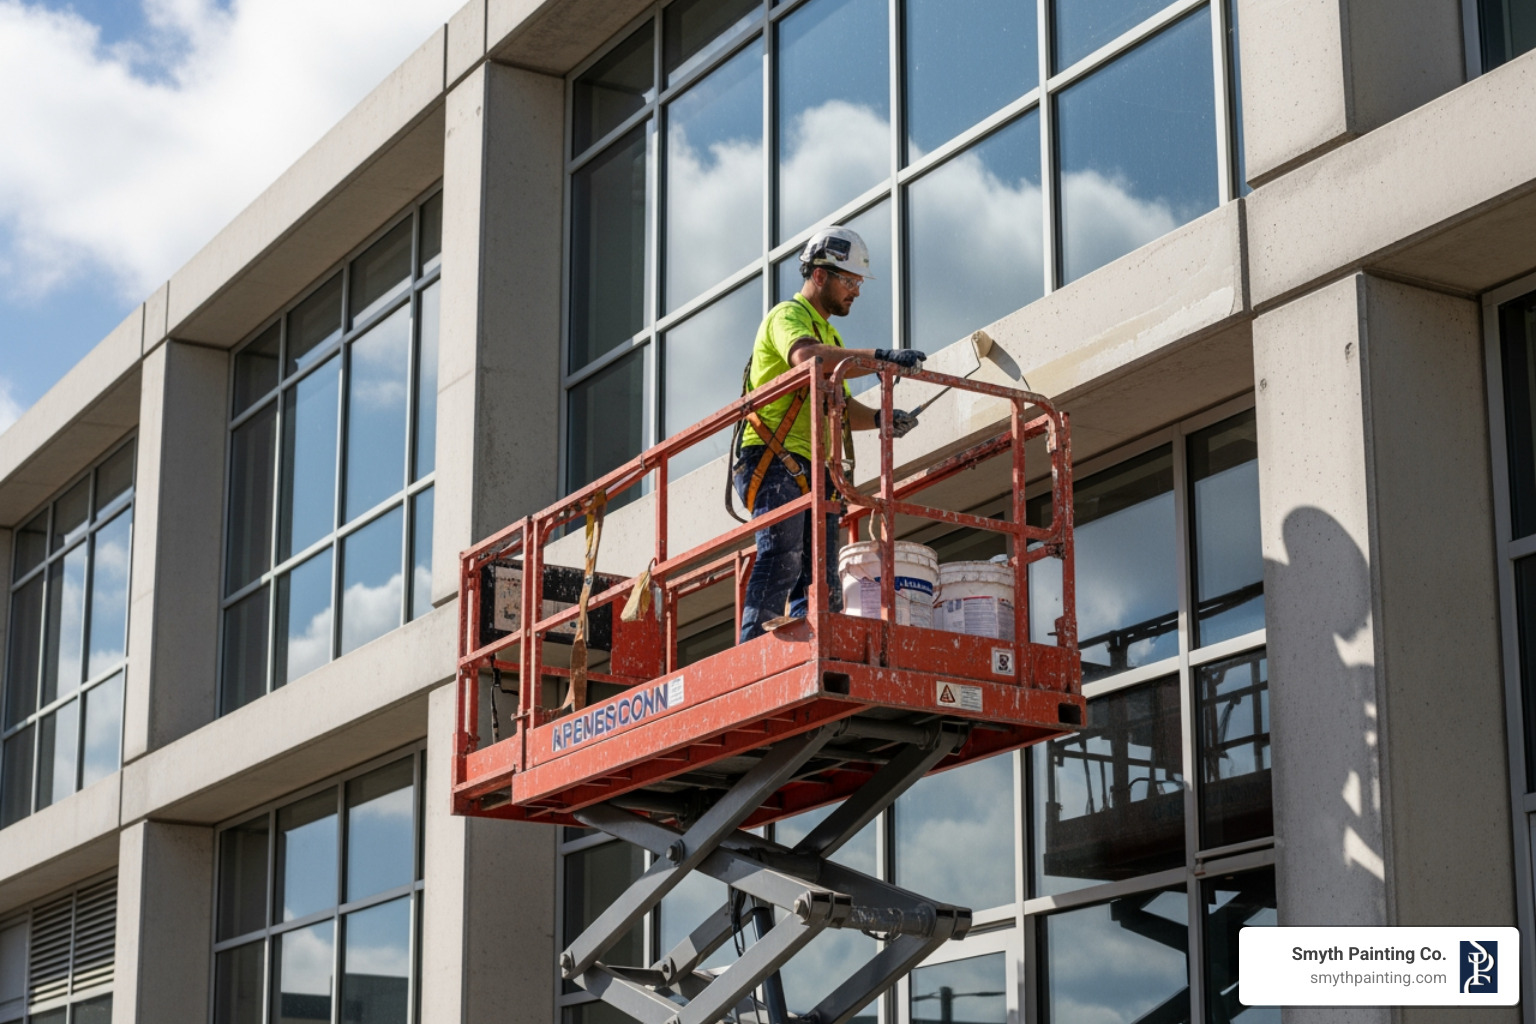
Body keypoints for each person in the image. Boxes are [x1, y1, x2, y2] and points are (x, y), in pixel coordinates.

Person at [733, 225, 927, 643]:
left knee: (819, 573)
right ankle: (751, 648)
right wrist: (879, 357)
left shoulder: (831, 336)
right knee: (782, 556)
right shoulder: (788, 317)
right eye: (849, 280)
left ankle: (812, 645)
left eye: (858, 282)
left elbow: (836, 407)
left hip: (813, 465)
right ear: (819, 275)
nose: (856, 291)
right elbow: (807, 360)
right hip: (774, 458)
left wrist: (880, 419)